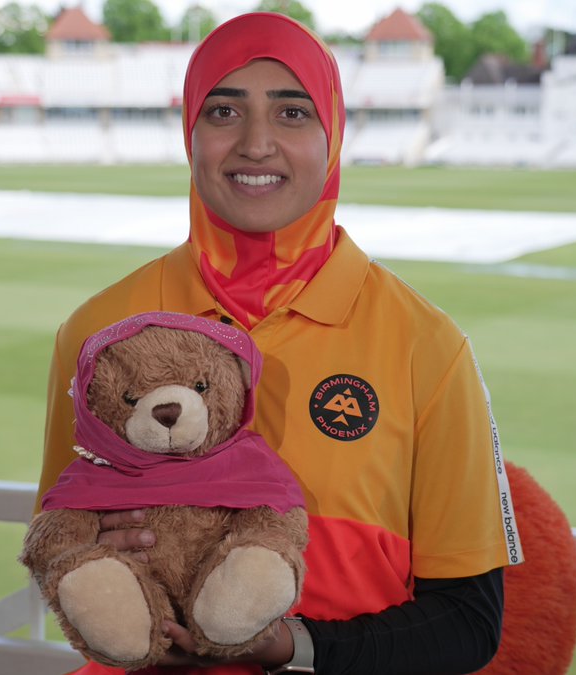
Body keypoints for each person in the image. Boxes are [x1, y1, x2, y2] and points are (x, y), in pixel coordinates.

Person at [34, 12, 522, 675]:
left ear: (333, 137)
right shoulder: (97, 330)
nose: (256, 143)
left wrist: (295, 648)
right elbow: (60, 556)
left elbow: (468, 622)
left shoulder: (427, 346)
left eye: (292, 114)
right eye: (224, 112)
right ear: (190, 135)